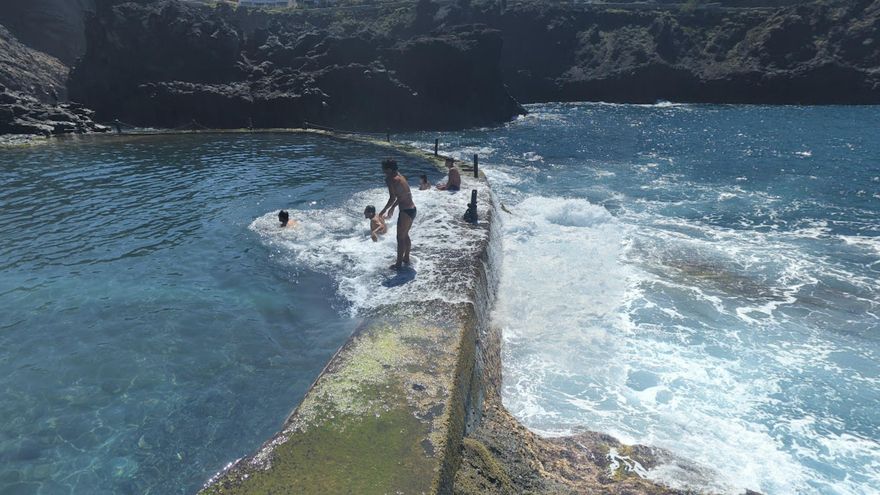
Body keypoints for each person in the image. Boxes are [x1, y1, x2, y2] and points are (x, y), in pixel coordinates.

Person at [379, 159, 416, 269]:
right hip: (412, 209)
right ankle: (406, 258)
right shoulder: (401, 177)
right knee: (405, 235)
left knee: (400, 237)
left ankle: (398, 264)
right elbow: (403, 195)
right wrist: (393, 208)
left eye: (384, 169)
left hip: (405, 211)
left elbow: (392, 197)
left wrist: (383, 210)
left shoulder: (391, 179)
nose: (383, 171)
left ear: (389, 169)